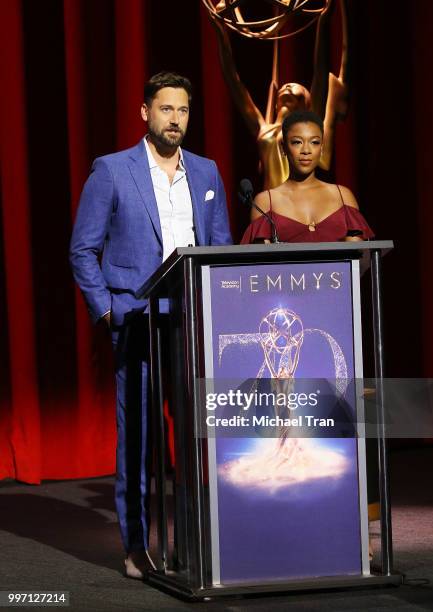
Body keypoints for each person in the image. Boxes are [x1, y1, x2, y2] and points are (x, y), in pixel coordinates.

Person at [69, 71, 232, 579]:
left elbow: (221, 250)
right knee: (138, 438)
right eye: (166, 109)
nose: (176, 119)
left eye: (183, 110)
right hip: (137, 322)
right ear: (145, 112)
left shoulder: (206, 173)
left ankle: (193, 539)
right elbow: (82, 250)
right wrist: (107, 310)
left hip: (190, 325)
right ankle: (137, 546)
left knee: (194, 438)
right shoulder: (113, 170)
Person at [210, 0, 352, 188]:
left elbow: (320, 71)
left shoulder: (309, 125)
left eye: (295, 87)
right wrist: (219, 29)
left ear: (306, 104)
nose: (287, 87)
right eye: (285, 86)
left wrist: (324, 22)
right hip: (271, 209)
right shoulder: (264, 129)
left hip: (299, 208)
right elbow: (233, 81)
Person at [241, 110, 373, 244]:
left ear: (321, 148)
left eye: (314, 142)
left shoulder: (343, 197)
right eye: (297, 142)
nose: (306, 151)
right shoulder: (265, 202)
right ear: (283, 148)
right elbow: (263, 262)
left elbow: (357, 258)